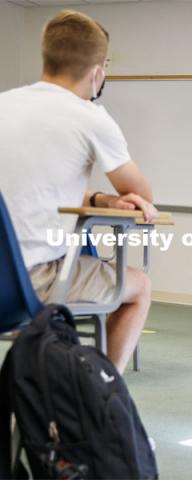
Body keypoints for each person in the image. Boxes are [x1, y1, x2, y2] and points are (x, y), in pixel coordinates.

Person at [0, 10, 157, 374]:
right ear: (98, 71)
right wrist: (123, 198)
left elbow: (37, 189)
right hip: (32, 283)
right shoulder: (90, 117)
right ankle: (101, 396)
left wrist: (100, 199)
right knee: (138, 286)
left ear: (46, 56)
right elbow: (143, 195)